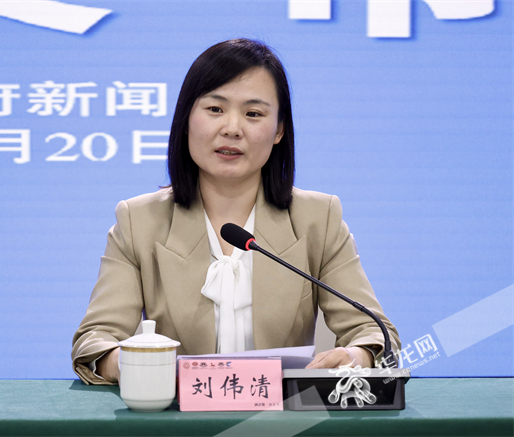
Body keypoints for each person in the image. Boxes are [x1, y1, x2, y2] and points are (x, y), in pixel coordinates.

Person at [72, 38, 401, 385]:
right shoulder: (138, 222)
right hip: (175, 412)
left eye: (253, 114)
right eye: (215, 109)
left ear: (279, 130)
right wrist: (133, 365)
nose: (231, 128)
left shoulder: (318, 219)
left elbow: (374, 333)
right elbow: (96, 340)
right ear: (186, 119)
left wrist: (356, 357)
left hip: (281, 414)